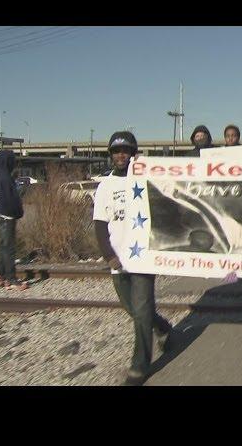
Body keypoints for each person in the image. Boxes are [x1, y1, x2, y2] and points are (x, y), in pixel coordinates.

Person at [93, 131, 173, 386]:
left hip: (143, 257)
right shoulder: (105, 185)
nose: (121, 155)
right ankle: (161, 326)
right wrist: (108, 255)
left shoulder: (146, 179)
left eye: (126, 151)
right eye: (116, 151)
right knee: (134, 309)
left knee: (140, 312)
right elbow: (99, 224)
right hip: (118, 260)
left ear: (133, 153)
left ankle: (139, 366)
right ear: (111, 155)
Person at [0, 150, 27, 291]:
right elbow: (11, 199)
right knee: (9, 248)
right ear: (8, 161)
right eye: (12, 160)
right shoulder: (6, 178)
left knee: (2, 246)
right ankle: (11, 279)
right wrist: (18, 212)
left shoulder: (0, 175)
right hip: (7, 216)